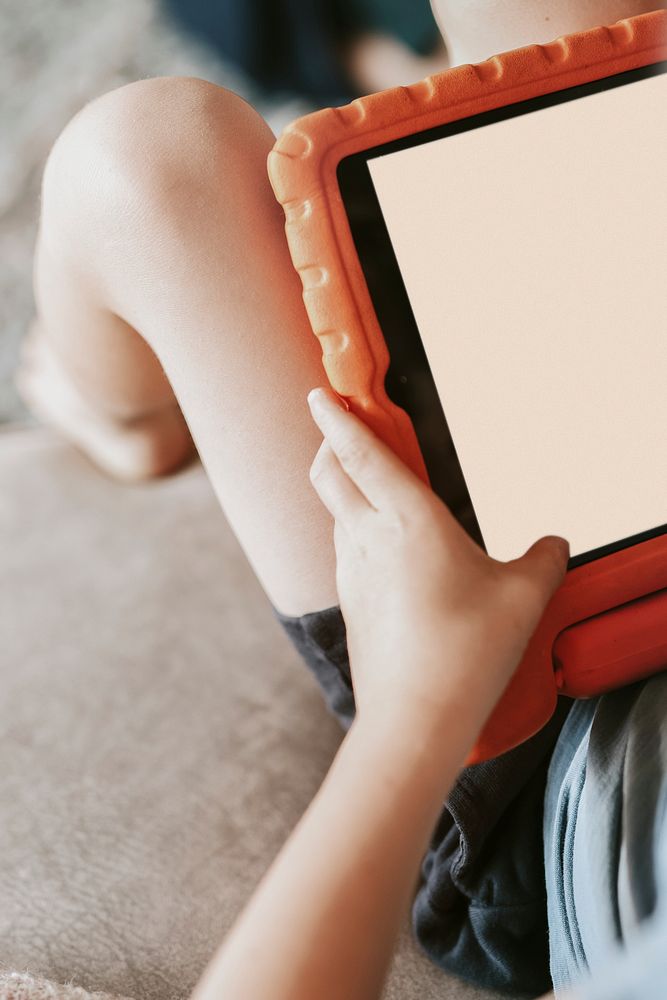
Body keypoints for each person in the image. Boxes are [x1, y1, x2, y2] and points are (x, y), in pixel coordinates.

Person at [17, 0, 666, 997]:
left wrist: (419, 699)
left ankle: (123, 414)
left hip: (545, 744)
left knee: (145, 162)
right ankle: (383, 52)